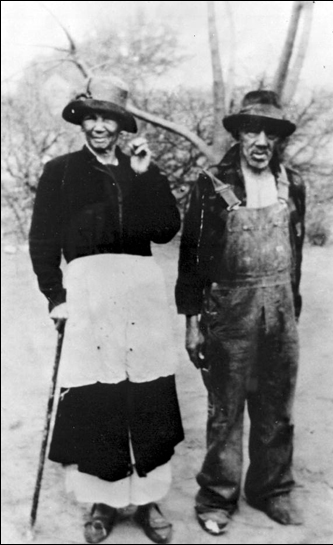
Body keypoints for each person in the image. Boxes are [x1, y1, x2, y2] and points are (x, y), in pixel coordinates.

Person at [29, 75, 184, 545]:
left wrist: (145, 178)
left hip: (140, 292)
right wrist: (56, 295)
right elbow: (43, 240)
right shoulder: (60, 172)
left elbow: (165, 231)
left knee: (147, 390)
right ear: (82, 122)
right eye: (91, 117)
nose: (99, 127)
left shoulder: (142, 170)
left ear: (121, 126)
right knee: (98, 394)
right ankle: (102, 501)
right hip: (89, 293)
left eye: (108, 119)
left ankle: (146, 498)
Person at [175, 90, 306, 535]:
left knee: (276, 407)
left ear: (279, 140)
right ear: (239, 134)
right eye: (253, 129)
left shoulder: (294, 184)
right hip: (230, 312)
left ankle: (271, 489)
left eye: (271, 132)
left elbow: (297, 250)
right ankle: (217, 495)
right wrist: (193, 324)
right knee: (225, 409)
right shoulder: (212, 183)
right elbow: (189, 259)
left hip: (281, 310)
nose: (261, 141)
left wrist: (292, 306)